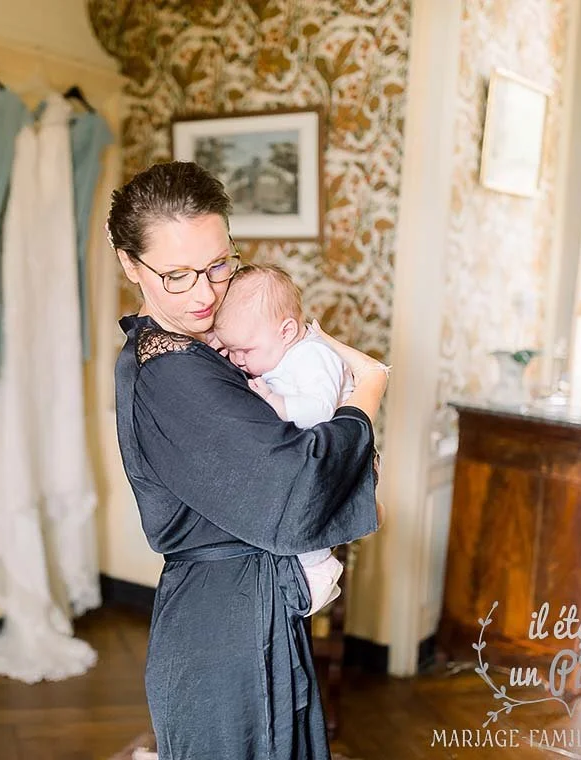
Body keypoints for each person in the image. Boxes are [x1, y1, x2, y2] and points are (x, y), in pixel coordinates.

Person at [109, 160, 390, 760]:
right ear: (130, 265)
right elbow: (296, 489)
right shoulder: (171, 373)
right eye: (177, 275)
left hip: (249, 610)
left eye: (219, 265)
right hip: (223, 630)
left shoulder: (203, 349)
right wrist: (365, 396)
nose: (206, 293)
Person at [210, 263, 360, 619]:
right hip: (310, 455)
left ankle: (318, 567)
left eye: (245, 350)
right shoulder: (275, 354)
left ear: (287, 330)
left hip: (336, 457)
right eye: (230, 350)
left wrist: (274, 402)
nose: (238, 359)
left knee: (302, 509)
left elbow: (320, 411)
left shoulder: (312, 356)